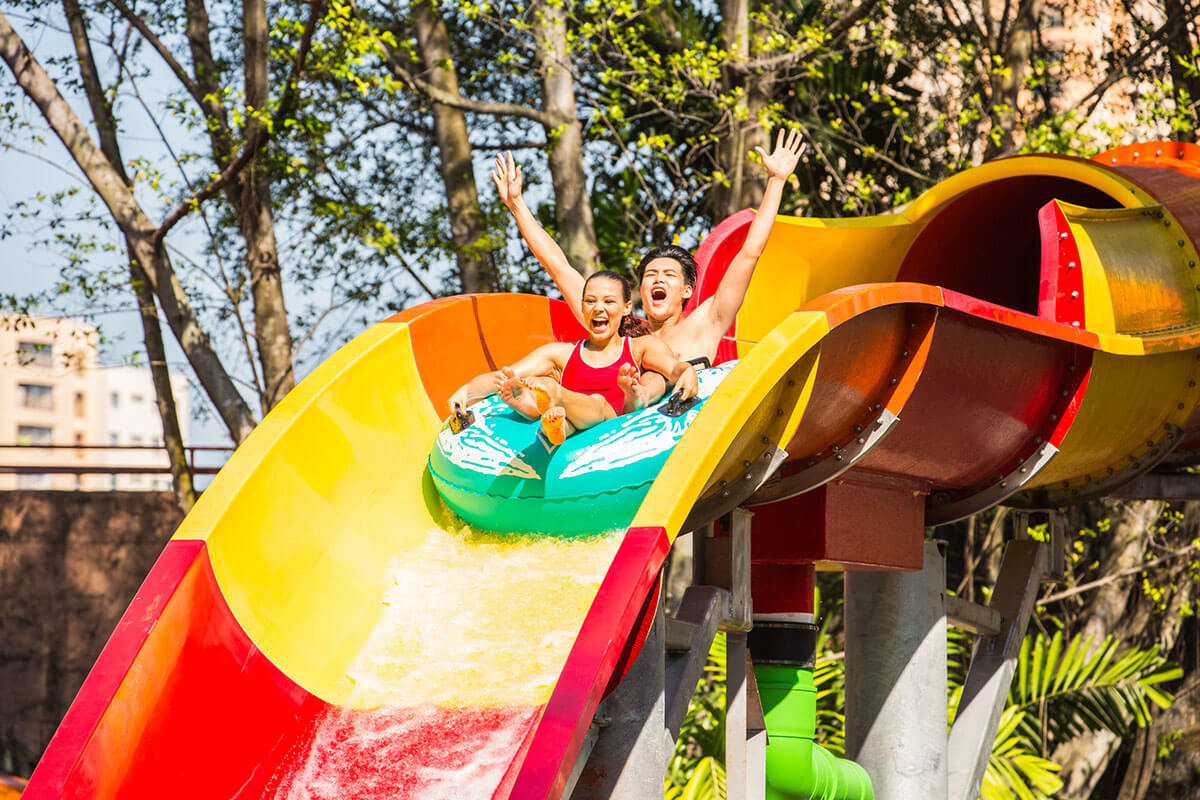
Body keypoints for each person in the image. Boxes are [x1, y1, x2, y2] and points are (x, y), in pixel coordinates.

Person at [492, 127, 806, 409]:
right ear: (639, 291)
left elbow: (749, 253)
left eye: (669, 275)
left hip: (684, 436)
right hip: (625, 440)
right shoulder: (620, 329)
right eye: (650, 275)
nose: (657, 279)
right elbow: (559, 267)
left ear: (686, 290)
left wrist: (776, 181)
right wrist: (517, 205)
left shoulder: (705, 322)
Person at [448, 270, 699, 445]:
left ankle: (548, 400)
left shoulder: (639, 347)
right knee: (559, 418)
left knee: (597, 403)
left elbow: (673, 368)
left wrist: (688, 372)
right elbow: (504, 376)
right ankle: (546, 417)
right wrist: (466, 391)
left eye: (608, 301)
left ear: (625, 308)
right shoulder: (562, 354)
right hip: (571, 426)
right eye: (590, 301)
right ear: (582, 307)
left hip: (612, 423)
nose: (598, 308)